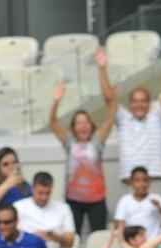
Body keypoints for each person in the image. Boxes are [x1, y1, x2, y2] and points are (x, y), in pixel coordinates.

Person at [51, 50, 117, 238]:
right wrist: (56, 101)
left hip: (97, 199)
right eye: (78, 122)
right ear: (73, 126)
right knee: (74, 239)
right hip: (73, 200)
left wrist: (102, 68)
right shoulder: (69, 142)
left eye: (86, 121)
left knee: (98, 238)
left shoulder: (97, 140)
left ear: (91, 125)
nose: (83, 125)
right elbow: (53, 123)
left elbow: (111, 112)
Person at [110, 49, 161, 188]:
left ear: (149, 104)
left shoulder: (157, 117)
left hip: (154, 178)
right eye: (135, 101)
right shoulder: (122, 119)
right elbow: (108, 99)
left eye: (143, 101)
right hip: (129, 180)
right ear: (130, 104)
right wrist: (102, 69)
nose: (139, 105)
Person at [114, 166, 161, 240]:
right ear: (131, 182)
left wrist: (160, 209)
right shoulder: (124, 200)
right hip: (132, 245)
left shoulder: (157, 198)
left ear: (149, 182)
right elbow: (119, 226)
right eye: (137, 180)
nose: (142, 184)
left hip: (154, 243)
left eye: (145, 180)